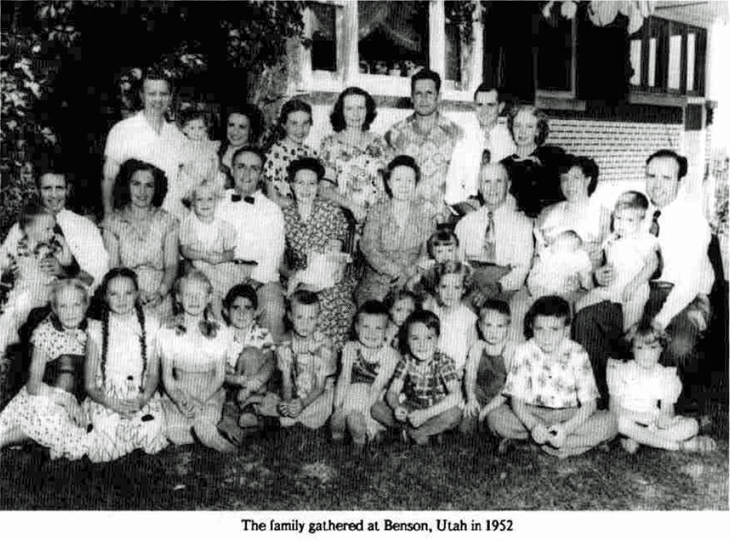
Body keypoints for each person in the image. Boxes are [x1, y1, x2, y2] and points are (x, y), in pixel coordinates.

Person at [573, 150, 715, 401]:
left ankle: (669, 409)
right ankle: (603, 401)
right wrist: (602, 273)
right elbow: (621, 254)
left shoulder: (693, 221)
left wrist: (660, 320)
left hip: (683, 298)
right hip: (636, 292)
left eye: (666, 178)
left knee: (677, 344)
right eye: (651, 175)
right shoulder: (639, 213)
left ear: (680, 182)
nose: (657, 184)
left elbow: (690, 283)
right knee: (587, 319)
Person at [491, 296, 617, 458]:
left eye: (554, 329)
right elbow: (516, 400)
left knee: (610, 422)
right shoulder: (523, 351)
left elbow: (590, 404)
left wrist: (566, 429)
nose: (546, 336)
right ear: (531, 326)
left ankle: (536, 444)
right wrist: (533, 425)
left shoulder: (577, 352)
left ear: (566, 329)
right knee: (495, 418)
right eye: (540, 329)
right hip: (532, 413)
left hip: (568, 415)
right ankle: (561, 444)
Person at [0, 279, 92, 460]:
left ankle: (27, 441)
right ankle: (3, 440)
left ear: (85, 306)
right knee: (48, 418)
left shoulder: (90, 334)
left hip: (72, 401)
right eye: (64, 306)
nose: (71, 312)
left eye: (76, 305)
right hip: (43, 395)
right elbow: (33, 385)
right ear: (55, 309)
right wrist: (65, 401)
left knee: (77, 434)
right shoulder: (45, 333)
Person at [83, 268, 167, 462]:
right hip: (106, 394)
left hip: (140, 391)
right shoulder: (95, 329)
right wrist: (111, 403)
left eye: (128, 293)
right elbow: (89, 385)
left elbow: (153, 374)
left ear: (137, 294)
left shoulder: (152, 324)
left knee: (150, 427)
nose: (122, 299)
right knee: (107, 428)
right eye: (114, 294)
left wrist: (143, 399)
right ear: (105, 297)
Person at [281, 157, 356, 352]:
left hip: (329, 270)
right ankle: (301, 358)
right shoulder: (284, 214)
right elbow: (280, 255)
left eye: (312, 183)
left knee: (329, 299)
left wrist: (339, 267)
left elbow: (336, 250)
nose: (306, 189)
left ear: (318, 186)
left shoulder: (330, 210)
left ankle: (326, 359)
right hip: (299, 275)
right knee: (299, 303)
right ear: (291, 184)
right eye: (300, 183)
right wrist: (294, 277)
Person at [158, 270, 237, 453]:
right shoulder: (167, 331)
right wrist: (179, 399)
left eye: (199, 294)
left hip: (208, 391)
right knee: (176, 435)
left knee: (207, 415)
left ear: (209, 297)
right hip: (181, 391)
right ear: (178, 297)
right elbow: (167, 377)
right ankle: (203, 430)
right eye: (188, 295)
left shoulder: (219, 332)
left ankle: (208, 430)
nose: (194, 300)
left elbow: (219, 376)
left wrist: (201, 399)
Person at [608, 325, 716, 454]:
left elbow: (667, 409)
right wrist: (640, 417)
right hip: (627, 420)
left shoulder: (665, 375)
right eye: (639, 347)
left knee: (692, 425)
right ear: (632, 349)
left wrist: (664, 419)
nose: (646, 354)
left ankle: (641, 440)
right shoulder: (621, 369)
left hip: (652, 426)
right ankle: (679, 446)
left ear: (661, 349)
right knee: (620, 423)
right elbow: (614, 408)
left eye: (652, 347)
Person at [216, 147, 286, 342]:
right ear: (231, 169)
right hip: (223, 271)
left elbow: (274, 253)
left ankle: (266, 363)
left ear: (262, 174)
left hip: (261, 276)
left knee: (273, 309)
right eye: (241, 167)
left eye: (254, 168)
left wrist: (256, 280)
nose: (246, 174)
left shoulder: (272, 210)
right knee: (209, 301)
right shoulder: (216, 202)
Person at [1, 166, 109, 292]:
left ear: (67, 190)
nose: (53, 195)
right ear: (38, 191)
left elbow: (97, 280)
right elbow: (3, 263)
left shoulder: (85, 227)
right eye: (47, 188)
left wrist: (63, 272)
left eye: (59, 188)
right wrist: (10, 271)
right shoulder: (23, 227)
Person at [102, 69, 187, 218]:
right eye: (152, 94)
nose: (158, 100)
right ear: (142, 96)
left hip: (173, 219)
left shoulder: (178, 137)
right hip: (134, 220)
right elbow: (109, 178)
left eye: (163, 94)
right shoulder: (122, 130)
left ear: (170, 97)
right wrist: (108, 215)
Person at [370, 310, 463, 445]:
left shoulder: (444, 361)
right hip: (412, 408)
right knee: (376, 408)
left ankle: (410, 433)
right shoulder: (406, 361)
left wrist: (426, 414)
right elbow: (393, 392)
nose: (422, 344)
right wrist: (397, 407)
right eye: (415, 338)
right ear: (407, 340)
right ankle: (425, 434)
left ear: (438, 339)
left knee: (454, 414)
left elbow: (456, 395)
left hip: (436, 410)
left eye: (429, 338)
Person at [102, 159, 179, 319]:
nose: (142, 191)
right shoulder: (112, 221)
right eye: (136, 184)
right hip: (125, 297)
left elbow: (172, 264)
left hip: (160, 296)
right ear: (126, 185)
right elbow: (114, 268)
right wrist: (135, 293)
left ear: (156, 188)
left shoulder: (168, 221)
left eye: (149, 185)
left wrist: (161, 292)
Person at [385, 69, 464, 222]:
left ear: (438, 97)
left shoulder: (456, 134)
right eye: (418, 93)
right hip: (406, 219)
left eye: (429, 93)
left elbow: (463, 181)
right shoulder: (395, 134)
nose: (424, 99)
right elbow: (387, 179)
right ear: (412, 98)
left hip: (444, 219)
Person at [356, 155, 435, 305]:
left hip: (413, 281)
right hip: (378, 282)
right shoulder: (377, 211)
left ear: (416, 184)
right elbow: (369, 248)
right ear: (389, 183)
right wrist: (396, 272)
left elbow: (427, 253)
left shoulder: (425, 216)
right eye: (398, 180)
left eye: (409, 181)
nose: (404, 185)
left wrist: (410, 274)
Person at [575, 191, 659, 332]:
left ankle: (627, 347)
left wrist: (633, 285)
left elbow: (653, 263)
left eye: (630, 220)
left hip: (634, 290)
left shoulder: (641, 239)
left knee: (630, 325)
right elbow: (609, 263)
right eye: (618, 218)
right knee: (580, 305)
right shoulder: (612, 239)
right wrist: (602, 272)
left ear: (641, 221)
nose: (622, 224)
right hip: (612, 288)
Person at [454, 162, 534, 305]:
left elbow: (522, 269)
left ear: (508, 185)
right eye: (487, 182)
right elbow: (457, 261)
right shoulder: (465, 223)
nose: (493, 188)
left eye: (499, 181)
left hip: (506, 285)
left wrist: (498, 286)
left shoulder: (522, 224)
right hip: (471, 282)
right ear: (479, 187)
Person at [0, 203, 73, 353]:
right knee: (14, 310)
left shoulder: (50, 246)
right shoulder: (20, 244)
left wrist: (64, 245)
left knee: (30, 308)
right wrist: (7, 265)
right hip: (26, 287)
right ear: (30, 230)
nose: (52, 233)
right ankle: (10, 340)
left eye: (53, 228)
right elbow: (4, 257)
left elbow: (66, 261)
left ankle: (24, 339)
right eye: (47, 229)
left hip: (47, 289)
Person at [331, 301, 401, 454]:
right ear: (356, 328)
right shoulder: (350, 348)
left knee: (360, 396)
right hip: (352, 391)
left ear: (386, 331)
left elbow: (377, 386)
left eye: (378, 328)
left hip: (375, 397)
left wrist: (363, 411)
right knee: (349, 393)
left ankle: (360, 435)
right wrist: (337, 407)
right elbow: (344, 378)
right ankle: (340, 430)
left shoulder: (390, 355)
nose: (371, 333)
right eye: (366, 327)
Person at [319, 87, 392, 228]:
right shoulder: (331, 143)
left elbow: (391, 181)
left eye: (360, 108)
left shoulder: (378, 141)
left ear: (367, 110)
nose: (356, 114)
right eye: (349, 108)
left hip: (379, 220)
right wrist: (352, 206)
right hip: (346, 219)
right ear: (341, 112)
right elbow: (324, 189)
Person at [267, 291, 336, 430]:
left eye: (311, 318)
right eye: (300, 317)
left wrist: (303, 404)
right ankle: (289, 415)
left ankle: (296, 417)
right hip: (295, 388)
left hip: (317, 392)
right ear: (290, 316)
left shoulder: (324, 345)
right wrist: (287, 401)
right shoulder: (284, 343)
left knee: (326, 403)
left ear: (318, 318)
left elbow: (320, 387)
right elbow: (286, 381)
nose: (305, 324)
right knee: (279, 403)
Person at [444, 83, 516, 212]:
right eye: (480, 105)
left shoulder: (510, 141)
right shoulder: (463, 137)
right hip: (467, 207)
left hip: (501, 210)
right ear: (474, 106)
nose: (484, 111)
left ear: (500, 107)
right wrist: (472, 215)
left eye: (490, 105)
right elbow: (452, 187)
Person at [535, 155, 610, 268]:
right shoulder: (547, 212)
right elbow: (537, 255)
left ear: (587, 180)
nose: (570, 185)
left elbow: (609, 261)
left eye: (576, 178)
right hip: (545, 278)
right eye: (565, 179)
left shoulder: (603, 215)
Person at [220, 284, 275, 433]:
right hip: (233, 385)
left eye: (248, 308)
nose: (242, 313)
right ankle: (238, 412)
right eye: (236, 307)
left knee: (250, 353)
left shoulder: (262, 333)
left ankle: (247, 408)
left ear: (256, 312)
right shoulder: (223, 336)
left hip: (257, 384)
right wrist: (235, 380)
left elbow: (270, 363)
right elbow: (219, 370)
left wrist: (254, 382)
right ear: (226, 311)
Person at [179, 180, 238, 318]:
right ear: (193, 203)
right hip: (201, 266)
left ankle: (228, 314)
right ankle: (218, 319)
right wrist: (202, 256)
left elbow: (231, 253)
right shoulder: (188, 225)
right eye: (200, 199)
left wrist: (222, 257)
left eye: (209, 199)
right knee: (211, 289)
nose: (205, 204)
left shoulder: (223, 226)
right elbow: (185, 250)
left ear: (216, 201)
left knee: (231, 287)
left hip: (221, 266)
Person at [461, 300, 517, 435]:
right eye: (488, 325)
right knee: (464, 428)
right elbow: (470, 376)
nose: (493, 331)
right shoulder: (478, 347)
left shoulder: (510, 349)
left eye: (500, 326)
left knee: (494, 421)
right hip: (480, 396)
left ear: (508, 327)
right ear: (480, 325)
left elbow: (509, 387)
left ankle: (507, 438)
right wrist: (471, 398)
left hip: (502, 400)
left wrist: (488, 409)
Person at [502, 105, 566, 219]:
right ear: (512, 129)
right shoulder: (503, 166)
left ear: (538, 131)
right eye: (517, 126)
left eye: (529, 126)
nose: (522, 132)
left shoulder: (554, 157)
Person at [422, 261, 478, 375]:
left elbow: (473, 354)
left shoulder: (470, 319)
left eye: (456, 287)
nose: (449, 293)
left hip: (456, 372)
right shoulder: (433, 312)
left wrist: (461, 371)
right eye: (444, 286)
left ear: (463, 289)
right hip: (431, 369)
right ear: (437, 288)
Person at [263, 99, 318, 208]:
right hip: (286, 215)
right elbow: (273, 198)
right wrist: (303, 208)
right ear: (283, 124)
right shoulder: (274, 154)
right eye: (294, 123)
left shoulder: (311, 153)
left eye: (305, 123)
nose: (300, 129)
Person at [176, 107, 225, 207]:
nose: (196, 132)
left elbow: (215, 159)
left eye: (200, 128)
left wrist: (213, 172)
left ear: (205, 129)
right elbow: (185, 165)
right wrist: (198, 178)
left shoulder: (209, 145)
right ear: (185, 129)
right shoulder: (185, 146)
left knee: (215, 184)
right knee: (194, 191)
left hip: (209, 173)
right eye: (192, 128)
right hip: (193, 175)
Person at [526, 229, 593, 299]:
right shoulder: (550, 252)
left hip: (562, 285)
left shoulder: (577, 258)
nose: (553, 246)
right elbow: (541, 250)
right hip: (544, 282)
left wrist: (586, 285)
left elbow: (585, 273)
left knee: (567, 290)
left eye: (557, 244)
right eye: (555, 243)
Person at [406, 228, 462, 302]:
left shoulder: (460, 268)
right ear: (432, 253)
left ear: (457, 250)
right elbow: (410, 284)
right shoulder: (429, 267)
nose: (445, 256)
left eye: (450, 250)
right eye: (439, 251)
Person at [217, 104, 264, 189]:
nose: (235, 132)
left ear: (251, 130)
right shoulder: (217, 149)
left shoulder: (255, 157)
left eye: (242, 127)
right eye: (231, 125)